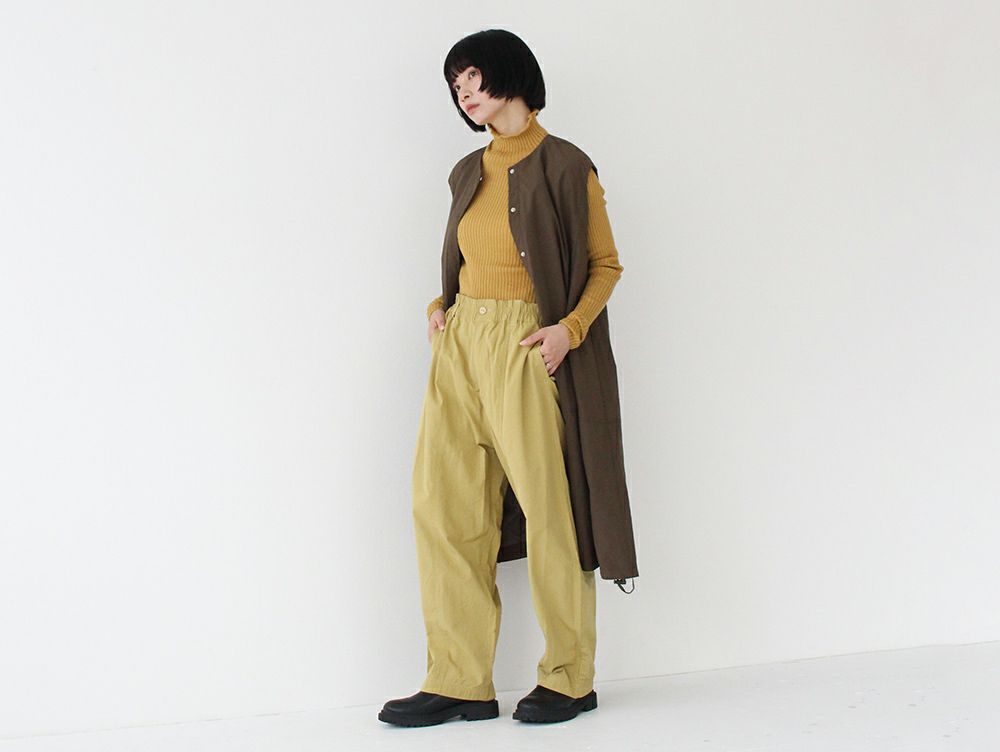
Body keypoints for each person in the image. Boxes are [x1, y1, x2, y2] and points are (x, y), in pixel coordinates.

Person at [379, 28, 629, 728]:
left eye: (472, 77)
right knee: (445, 510)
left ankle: (569, 678)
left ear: (510, 75)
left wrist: (567, 330)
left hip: (526, 345)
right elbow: (474, 257)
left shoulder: (567, 165)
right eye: (454, 85)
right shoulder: (466, 171)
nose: (463, 93)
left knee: (551, 513)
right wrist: (443, 304)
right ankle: (459, 680)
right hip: (460, 345)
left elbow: (605, 264)